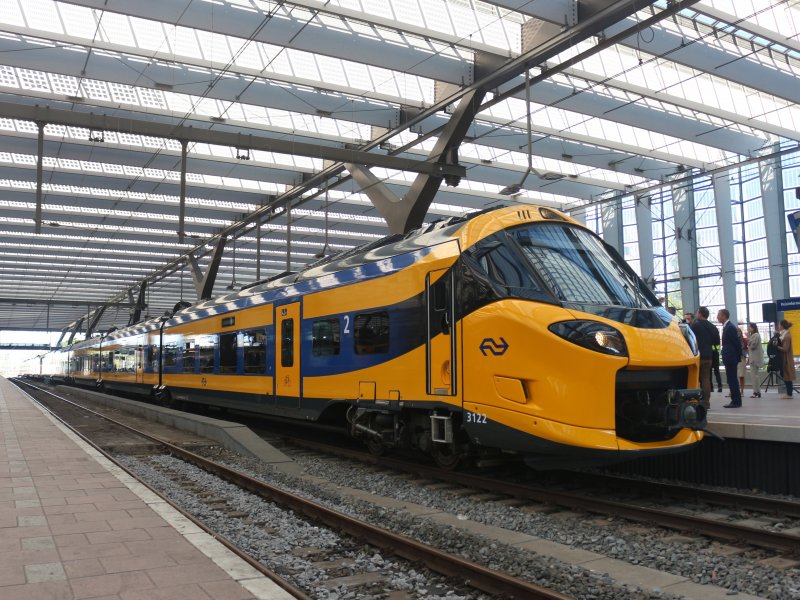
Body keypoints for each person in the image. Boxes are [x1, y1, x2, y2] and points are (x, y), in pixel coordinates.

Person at [691, 306, 719, 410]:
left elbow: (691, 339)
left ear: (700, 314)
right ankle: (706, 402)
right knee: (706, 379)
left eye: (697, 312)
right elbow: (716, 345)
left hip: (697, 356)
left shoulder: (695, 325)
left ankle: (695, 401)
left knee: (695, 379)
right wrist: (714, 355)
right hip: (709, 357)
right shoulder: (713, 327)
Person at [717, 308, 743, 407]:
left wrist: (737, 356)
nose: (717, 317)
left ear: (724, 316)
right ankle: (735, 400)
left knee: (732, 380)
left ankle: (736, 401)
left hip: (731, 357)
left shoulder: (730, 327)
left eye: (719, 315)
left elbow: (736, 343)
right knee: (731, 379)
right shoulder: (727, 327)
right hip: (730, 357)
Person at [775, 319, 795, 399]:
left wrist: (777, 346)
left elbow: (785, 349)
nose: (779, 327)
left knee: (788, 376)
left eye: (779, 325)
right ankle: (789, 393)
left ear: (782, 326)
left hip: (787, 359)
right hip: (785, 358)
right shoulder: (784, 334)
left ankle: (789, 394)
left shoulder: (786, 336)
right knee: (787, 376)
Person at [747, 323, 763, 398]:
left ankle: (756, 392)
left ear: (753, 328)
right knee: (754, 375)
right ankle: (756, 391)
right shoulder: (754, 335)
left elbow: (753, 346)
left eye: (749, 327)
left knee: (754, 376)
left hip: (754, 359)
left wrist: (748, 338)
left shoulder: (755, 335)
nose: (748, 328)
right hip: (753, 358)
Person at [736, 326, 747, 395]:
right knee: (734, 375)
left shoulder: (744, 340)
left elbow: (746, 349)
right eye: (736, 331)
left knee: (741, 375)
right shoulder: (733, 339)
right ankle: (734, 390)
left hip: (742, 358)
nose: (738, 333)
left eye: (739, 331)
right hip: (734, 358)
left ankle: (742, 390)